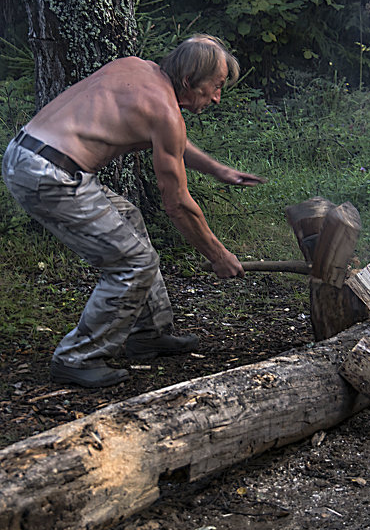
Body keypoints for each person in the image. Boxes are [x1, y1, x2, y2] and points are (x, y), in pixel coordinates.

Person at [2, 34, 265, 388]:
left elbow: (170, 137)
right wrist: (218, 255)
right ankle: (77, 358)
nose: (217, 97)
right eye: (215, 87)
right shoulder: (165, 112)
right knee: (132, 263)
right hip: (50, 177)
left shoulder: (135, 68)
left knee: (127, 216)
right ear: (189, 81)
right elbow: (177, 204)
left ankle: (149, 333)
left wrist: (216, 169)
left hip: (29, 155)